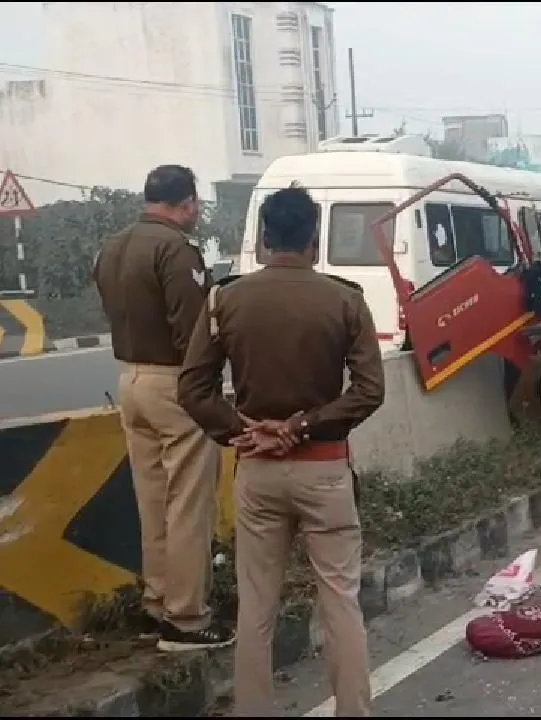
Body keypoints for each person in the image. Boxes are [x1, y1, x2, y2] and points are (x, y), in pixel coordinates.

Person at [177, 186, 385, 717]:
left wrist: (240, 431)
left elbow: (193, 389)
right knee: (340, 601)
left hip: (258, 473)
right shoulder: (345, 299)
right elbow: (368, 391)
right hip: (325, 472)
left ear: (264, 237)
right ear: (315, 236)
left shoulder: (225, 299)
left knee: (257, 608)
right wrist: (303, 424)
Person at [92, 164, 234, 651]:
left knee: (151, 501)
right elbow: (195, 332)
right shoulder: (177, 249)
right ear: (188, 203)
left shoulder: (113, 247)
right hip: (175, 383)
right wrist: (210, 393)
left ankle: (157, 604)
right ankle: (188, 618)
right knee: (189, 505)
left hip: (130, 378)